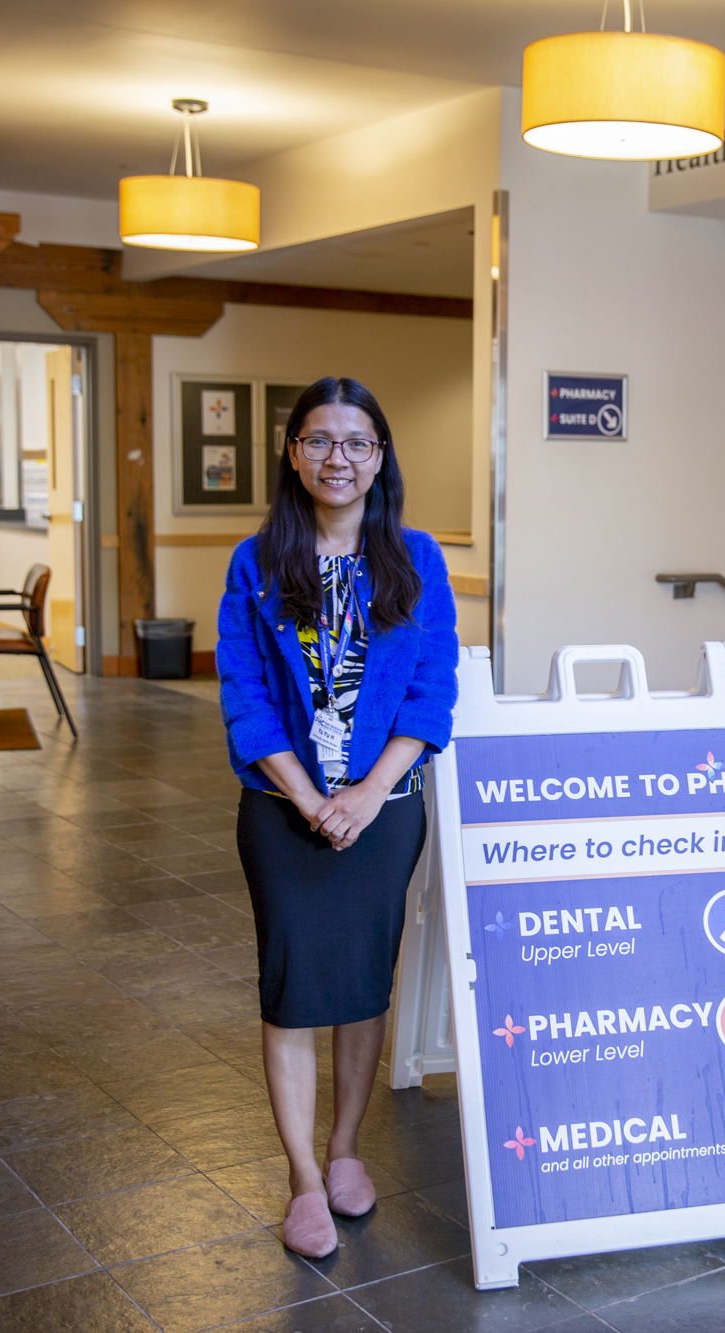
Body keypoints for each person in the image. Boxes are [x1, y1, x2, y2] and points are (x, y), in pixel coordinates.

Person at [216, 376, 458, 1259]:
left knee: (362, 985)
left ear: (380, 456)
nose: (338, 459)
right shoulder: (258, 560)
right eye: (319, 440)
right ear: (293, 453)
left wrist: (364, 794)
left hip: (384, 812)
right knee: (291, 990)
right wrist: (313, 796)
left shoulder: (415, 558)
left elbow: (433, 695)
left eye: (357, 443)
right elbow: (244, 695)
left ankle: (346, 1149)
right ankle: (304, 1181)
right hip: (284, 813)